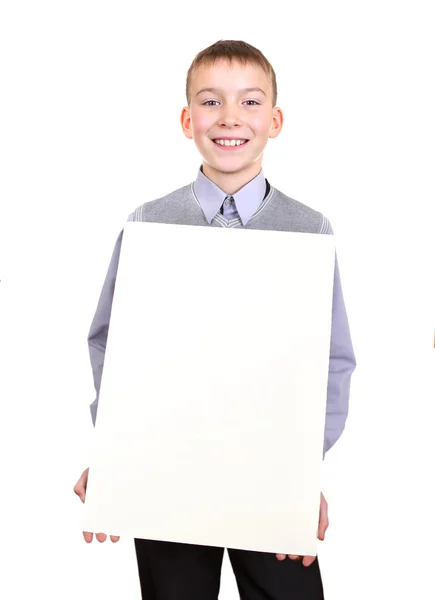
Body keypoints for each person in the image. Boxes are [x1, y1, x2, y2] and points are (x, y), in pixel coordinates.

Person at [73, 39, 357, 599]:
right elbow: (112, 344)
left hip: (270, 480)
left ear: (275, 120)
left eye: (250, 103)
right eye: (210, 102)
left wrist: (301, 471)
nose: (230, 118)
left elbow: (332, 359)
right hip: (166, 477)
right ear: (186, 119)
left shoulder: (309, 230)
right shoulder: (149, 224)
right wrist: (116, 457)